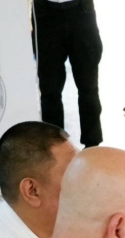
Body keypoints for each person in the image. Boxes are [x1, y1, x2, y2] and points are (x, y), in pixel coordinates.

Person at [32, 0, 103, 148]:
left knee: (88, 86)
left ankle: (92, 144)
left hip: (81, 11)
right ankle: (54, 146)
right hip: (45, 13)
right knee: (49, 90)